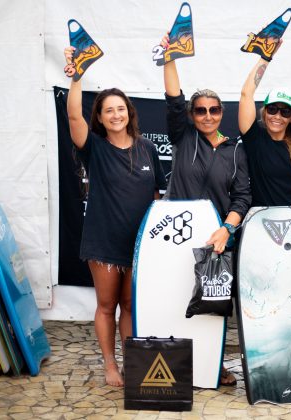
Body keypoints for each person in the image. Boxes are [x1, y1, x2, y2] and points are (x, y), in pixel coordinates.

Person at [64, 47, 166, 387]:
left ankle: (133, 363)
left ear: (129, 112)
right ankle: (110, 366)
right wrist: (77, 76)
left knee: (130, 307)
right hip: (104, 242)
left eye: (120, 108)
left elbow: (156, 197)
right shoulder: (93, 147)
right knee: (107, 306)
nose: (116, 114)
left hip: (139, 245)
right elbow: (74, 118)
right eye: (109, 110)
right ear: (101, 117)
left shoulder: (148, 148)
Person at [160, 35, 252, 386]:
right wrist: (170, 57)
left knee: (212, 306)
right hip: (174, 234)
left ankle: (215, 365)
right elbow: (173, 100)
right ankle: (175, 362)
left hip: (216, 239)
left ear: (221, 113)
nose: (208, 116)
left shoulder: (235, 152)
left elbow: (242, 196)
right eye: (201, 110)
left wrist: (227, 230)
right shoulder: (183, 138)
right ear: (192, 115)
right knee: (174, 298)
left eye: (214, 110)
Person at [238, 50, 291, 215]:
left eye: (285, 112)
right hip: (260, 219)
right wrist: (266, 57)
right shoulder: (254, 138)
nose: (277, 116)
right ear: (264, 112)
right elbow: (246, 94)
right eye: (272, 109)